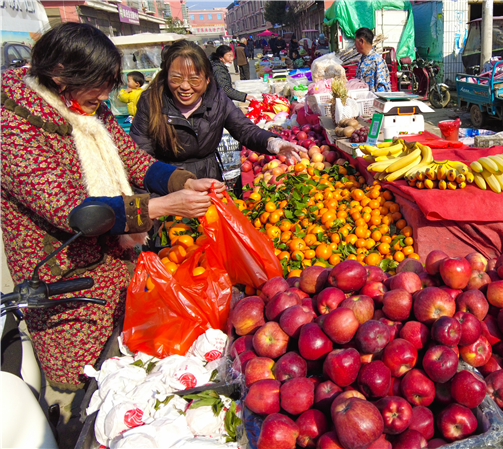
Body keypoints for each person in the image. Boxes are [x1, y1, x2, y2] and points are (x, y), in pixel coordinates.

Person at [1, 23, 224, 392]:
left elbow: (135, 161)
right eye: (98, 82)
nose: (105, 93)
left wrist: (182, 181)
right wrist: (161, 206)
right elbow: (72, 210)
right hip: (67, 278)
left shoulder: (89, 108)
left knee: (126, 361)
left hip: (116, 264)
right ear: (60, 76)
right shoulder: (14, 125)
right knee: (87, 378)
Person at [131, 40, 302, 180]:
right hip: (167, 185)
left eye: (194, 79)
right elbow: (140, 156)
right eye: (176, 78)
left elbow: (243, 129)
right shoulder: (151, 101)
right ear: (166, 76)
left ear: (207, 79)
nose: (184, 86)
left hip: (208, 180)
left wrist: (272, 142)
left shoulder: (217, 98)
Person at [354, 27, 390, 92]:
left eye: (355, 41)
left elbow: (381, 87)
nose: (354, 44)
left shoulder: (377, 60)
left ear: (361, 41)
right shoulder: (362, 60)